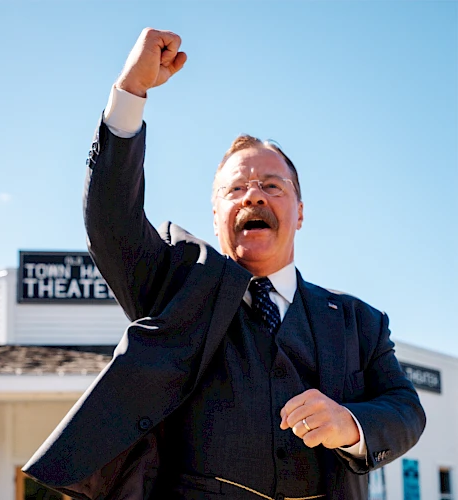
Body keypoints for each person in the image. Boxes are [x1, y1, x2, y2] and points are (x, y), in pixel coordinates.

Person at [23, 29, 426, 500]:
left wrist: (351, 424)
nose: (254, 194)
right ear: (215, 217)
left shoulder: (362, 323)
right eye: (235, 190)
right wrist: (131, 92)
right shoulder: (175, 285)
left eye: (273, 186)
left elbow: (405, 409)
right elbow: (112, 221)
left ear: (300, 210)